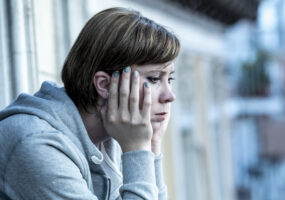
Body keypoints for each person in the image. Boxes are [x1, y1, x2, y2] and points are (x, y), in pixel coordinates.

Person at [0, 7, 180, 200]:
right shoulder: (37, 144)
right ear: (104, 85)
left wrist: (151, 145)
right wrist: (138, 149)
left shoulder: (117, 136)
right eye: (154, 78)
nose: (170, 96)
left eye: (169, 79)